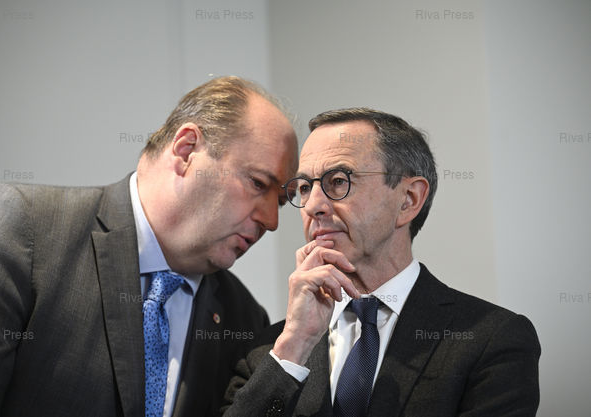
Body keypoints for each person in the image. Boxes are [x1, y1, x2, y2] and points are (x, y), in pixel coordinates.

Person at [0, 76, 298, 417]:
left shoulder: (244, 318)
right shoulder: (25, 231)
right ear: (186, 150)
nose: (271, 220)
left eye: (280, 202)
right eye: (258, 183)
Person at [221, 108, 541, 416]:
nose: (313, 206)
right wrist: (295, 345)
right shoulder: (268, 350)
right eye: (304, 187)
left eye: (338, 181)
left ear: (408, 200)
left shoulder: (492, 339)